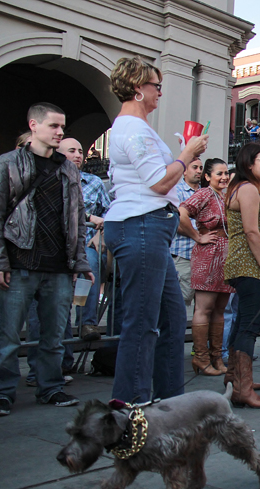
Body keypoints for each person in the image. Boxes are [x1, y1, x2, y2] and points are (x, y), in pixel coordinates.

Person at [104, 57, 208, 404]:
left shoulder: (135, 128)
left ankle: (171, 402)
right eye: (155, 86)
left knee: (171, 316)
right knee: (143, 322)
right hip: (141, 226)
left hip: (147, 228)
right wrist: (187, 154)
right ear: (138, 88)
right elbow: (160, 182)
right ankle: (131, 404)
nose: (160, 92)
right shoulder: (133, 129)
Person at [0, 102, 94, 415]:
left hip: (58, 267)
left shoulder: (67, 168)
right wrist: (1, 261)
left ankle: (50, 388)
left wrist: (79, 262)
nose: (60, 132)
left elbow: (78, 218)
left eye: (62, 126)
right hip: (18, 264)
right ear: (34, 125)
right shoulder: (9, 163)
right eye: (54, 126)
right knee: (8, 337)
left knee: (54, 336)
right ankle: (3, 392)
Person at [223, 143, 260, 408]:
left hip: (243, 265)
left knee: (242, 322)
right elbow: (251, 231)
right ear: (248, 164)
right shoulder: (248, 190)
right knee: (250, 325)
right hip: (249, 266)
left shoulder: (244, 188)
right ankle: (243, 389)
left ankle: (234, 380)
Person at [177, 158, 234, 376]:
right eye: (219, 173)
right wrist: (196, 236)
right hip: (208, 254)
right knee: (204, 308)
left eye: (226, 173)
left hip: (225, 256)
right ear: (208, 177)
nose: (224, 177)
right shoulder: (203, 193)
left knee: (220, 309)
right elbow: (181, 212)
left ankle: (216, 356)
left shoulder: (225, 195)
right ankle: (200, 357)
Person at [57, 138, 112, 342]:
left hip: (86, 243)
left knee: (90, 265)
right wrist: (89, 218)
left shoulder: (94, 182)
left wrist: (100, 233)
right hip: (58, 245)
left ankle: (87, 323)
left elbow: (108, 213)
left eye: (81, 151)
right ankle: (65, 356)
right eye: (72, 151)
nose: (78, 155)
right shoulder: (52, 179)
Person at [170, 157, 203, 306]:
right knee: (178, 304)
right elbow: (175, 222)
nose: (199, 171)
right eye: (195, 167)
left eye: (201, 168)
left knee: (204, 307)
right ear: (184, 171)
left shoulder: (205, 193)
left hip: (204, 258)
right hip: (183, 256)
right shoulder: (175, 192)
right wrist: (199, 234)